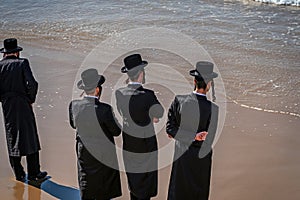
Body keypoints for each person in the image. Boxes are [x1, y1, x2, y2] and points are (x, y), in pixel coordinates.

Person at [166, 61, 219, 200]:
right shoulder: (213, 109)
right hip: (201, 159)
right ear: (210, 84)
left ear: (194, 81)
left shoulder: (179, 100)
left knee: (178, 191)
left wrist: (184, 135)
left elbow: (170, 129)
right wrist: (196, 137)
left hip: (181, 155)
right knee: (198, 192)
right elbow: (209, 140)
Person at [115, 54, 164, 200]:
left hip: (129, 142)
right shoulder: (148, 95)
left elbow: (122, 111)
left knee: (134, 178)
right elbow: (159, 112)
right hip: (146, 143)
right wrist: (151, 116)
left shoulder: (120, 93)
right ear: (141, 74)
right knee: (147, 181)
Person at [69, 68, 122, 200]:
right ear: (97, 89)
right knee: (104, 186)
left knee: (85, 178)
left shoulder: (74, 106)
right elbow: (116, 132)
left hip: (84, 151)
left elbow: (73, 124)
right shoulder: (105, 109)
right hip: (103, 153)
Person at [0, 38, 47, 182]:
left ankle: (19, 174)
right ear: (16, 52)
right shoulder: (22, 63)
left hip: (7, 105)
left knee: (12, 136)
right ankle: (34, 173)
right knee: (30, 136)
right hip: (23, 103)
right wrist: (30, 99)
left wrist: (3, 100)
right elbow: (32, 84)